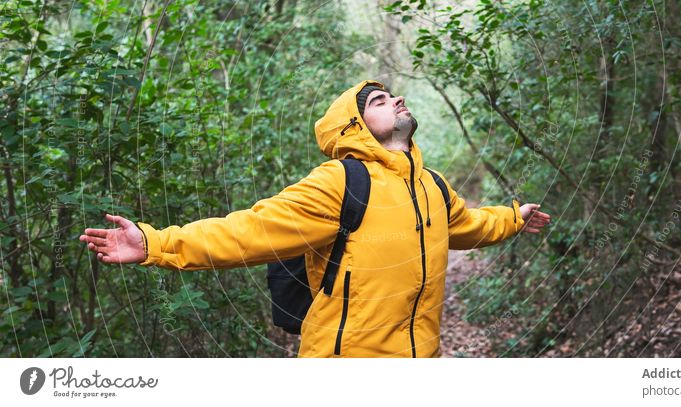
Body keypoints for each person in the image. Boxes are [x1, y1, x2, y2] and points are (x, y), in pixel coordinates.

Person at [79, 80, 551, 357]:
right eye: (379, 100)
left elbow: (467, 226)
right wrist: (156, 244)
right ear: (356, 126)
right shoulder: (341, 181)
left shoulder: (432, 184)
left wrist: (512, 217)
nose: (395, 100)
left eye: (393, 95)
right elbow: (250, 230)